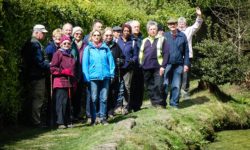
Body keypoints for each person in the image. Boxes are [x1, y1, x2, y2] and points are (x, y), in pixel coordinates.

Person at [82, 29, 115, 125]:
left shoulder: (105, 48)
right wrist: (86, 77)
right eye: (94, 35)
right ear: (91, 37)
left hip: (105, 76)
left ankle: (103, 118)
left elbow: (111, 62)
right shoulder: (88, 48)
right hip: (93, 77)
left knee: (104, 98)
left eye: (98, 35)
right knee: (94, 98)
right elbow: (85, 64)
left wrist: (111, 74)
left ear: (101, 36)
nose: (96, 37)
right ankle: (93, 118)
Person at [21, 24, 50, 127]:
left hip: (30, 75)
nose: (44, 35)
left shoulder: (29, 42)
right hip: (37, 75)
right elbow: (39, 61)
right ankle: (36, 122)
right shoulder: (35, 44)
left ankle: (31, 121)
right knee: (38, 98)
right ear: (37, 32)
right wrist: (49, 65)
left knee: (32, 98)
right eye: (43, 33)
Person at [139, 21, 169, 108]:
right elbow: (141, 54)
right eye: (151, 29)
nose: (152, 31)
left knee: (159, 85)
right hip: (146, 67)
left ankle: (160, 103)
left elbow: (166, 53)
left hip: (158, 67)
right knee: (150, 87)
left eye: (154, 29)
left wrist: (163, 66)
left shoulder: (162, 39)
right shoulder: (144, 41)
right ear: (148, 31)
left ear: (157, 30)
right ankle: (154, 103)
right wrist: (141, 65)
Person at [50, 35, 76, 129]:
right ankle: (60, 122)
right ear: (61, 44)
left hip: (69, 82)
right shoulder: (58, 53)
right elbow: (53, 68)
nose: (66, 45)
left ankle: (67, 120)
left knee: (67, 102)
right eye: (64, 43)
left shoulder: (71, 55)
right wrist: (62, 72)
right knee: (60, 102)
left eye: (68, 43)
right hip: (60, 81)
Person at [163, 18, 189, 108]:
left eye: (174, 24)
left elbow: (186, 52)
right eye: (170, 24)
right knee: (165, 84)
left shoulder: (182, 36)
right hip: (167, 64)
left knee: (176, 85)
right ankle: (162, 103)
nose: (172, 25)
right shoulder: (165, 36)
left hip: (178, 64)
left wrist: (186, 64)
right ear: (168, 25)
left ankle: (174, 103)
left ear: (177, 24)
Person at [178, 7, 203, 97]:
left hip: (187, 57)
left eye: (183, 23)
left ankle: (185, 92)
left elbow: (197, 25)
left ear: (185, 24)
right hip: (177, 57)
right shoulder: (174, 32)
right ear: (177, 24)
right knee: (177, 75)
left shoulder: (189, 30)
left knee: (186, 75)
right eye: (179, 23)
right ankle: (177, 92)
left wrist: (199, 16)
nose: (181, 25)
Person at [103, 27, 125, 117]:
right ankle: (104, 112)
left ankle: (111, 111)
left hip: (114, 73)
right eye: (107, 35)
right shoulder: (101, 46)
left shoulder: (116, 46)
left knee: (114, 93)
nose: (109, 37)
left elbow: (122, 57)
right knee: (105, 94)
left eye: (110, 35)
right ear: (104, 35)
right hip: (104, 73)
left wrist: (120, 61)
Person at [117, 24, 138, 114]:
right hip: (118, 67)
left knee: (127, 87)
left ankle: (126, 106)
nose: (126, 32)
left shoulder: (133, 42)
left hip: (128, 68)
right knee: (118, 87)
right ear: (122, 31)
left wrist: (132, 60)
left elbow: (136, 55)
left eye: (128, 31)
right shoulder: (117, 41)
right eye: (124, 30)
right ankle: (118, 106)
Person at [71, 26, 86, 122]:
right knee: (72, 95)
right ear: (73, 34)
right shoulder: (70, 44)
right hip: (73, 72)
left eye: (80, 34)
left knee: (80, 95)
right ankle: (72, 115)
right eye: (76, 33)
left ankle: (78, 114)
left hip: (82, 72)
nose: (78, 35)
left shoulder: (85, 44)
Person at [129, 20, 144, 111]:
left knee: (139, 86)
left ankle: (137, 105)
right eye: (135, 27)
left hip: (140, 66)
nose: (137, 28)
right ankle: (129, 105)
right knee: (130, 86)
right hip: (130, 66)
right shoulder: (127, 38)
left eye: (138, 26)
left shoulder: (142, 39)